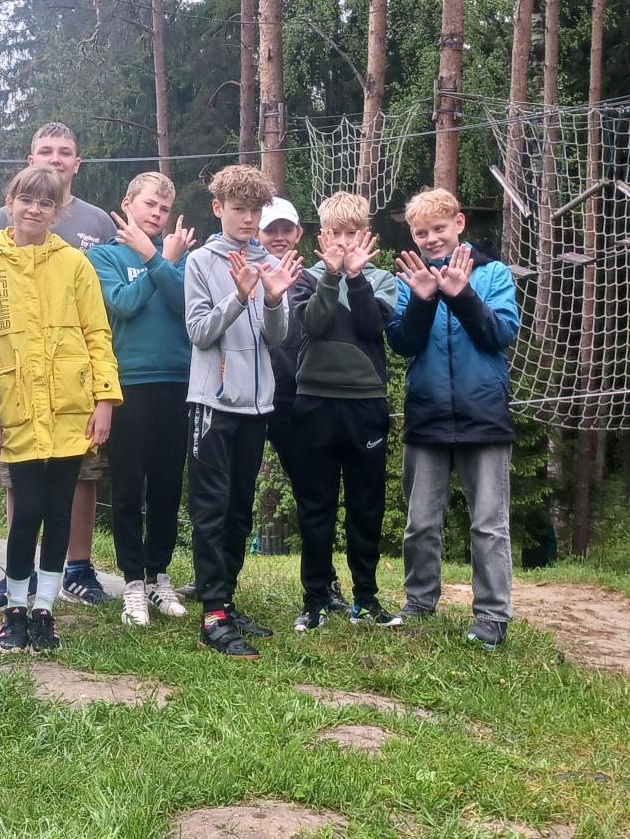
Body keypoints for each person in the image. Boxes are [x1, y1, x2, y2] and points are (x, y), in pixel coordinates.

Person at [0, 165, 121, 653]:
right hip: (16, 410)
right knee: (27, 511)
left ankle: (44, 611)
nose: (34, 209)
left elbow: (97, 333)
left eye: (45, 203)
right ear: (10, 204)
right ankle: (14, 610)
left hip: (70, 409)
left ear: (57, 212)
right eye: (26, 200)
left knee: (59, 511)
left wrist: (105, 399)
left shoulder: (75, 264)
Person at [386, 187, 522, 649]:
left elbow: (501, 334)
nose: (431, 239)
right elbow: (402, 343)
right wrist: (423, 300)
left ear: (459, 224)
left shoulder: (493, 274)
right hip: (426, 416)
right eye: (421, 232)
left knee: (488, 524)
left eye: (439, 228)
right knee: (421, 522)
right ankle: (419, 602)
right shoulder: (410, 280)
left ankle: (492, 615)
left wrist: (462, 296)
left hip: (484, 415)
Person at [184, 165, 302, 659]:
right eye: (239, 209)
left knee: (239, 509)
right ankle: (212, 614)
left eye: (255, 210)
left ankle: (227, 602)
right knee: (211, 509)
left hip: (258, 405)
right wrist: (238, 295)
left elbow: (278, 337)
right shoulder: (199, 262)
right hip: (212, 403)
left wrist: (273, 300)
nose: (249, 219)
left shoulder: (270, 261)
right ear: (218, 209)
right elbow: (199, 333)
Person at [284, 193, 404, 632]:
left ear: (365, 235)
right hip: (314, 402)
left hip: (365, 403)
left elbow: (373, 326)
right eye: (335, 233)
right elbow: (313, 324)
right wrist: (332, 275)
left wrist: (355, 277)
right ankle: (315, 599)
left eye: (352, 233)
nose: (344, 241)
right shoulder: (304, 278)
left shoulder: (382, 280)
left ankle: (365, 599)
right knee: (315, 506)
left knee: (365, 506)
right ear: (323, 235)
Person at [85, 172, 194, 626]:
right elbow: (123, 304)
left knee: (167, 486)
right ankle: (132, 581)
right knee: (128, 486)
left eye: (165, 208)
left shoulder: (181, 256)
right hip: (128, 382)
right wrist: (157, 260)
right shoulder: (104, 255)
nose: (157, 214)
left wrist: (160, 259)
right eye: (150, 204)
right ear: (127, 204)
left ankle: (158, 575)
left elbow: (185, 303)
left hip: (177, 380)